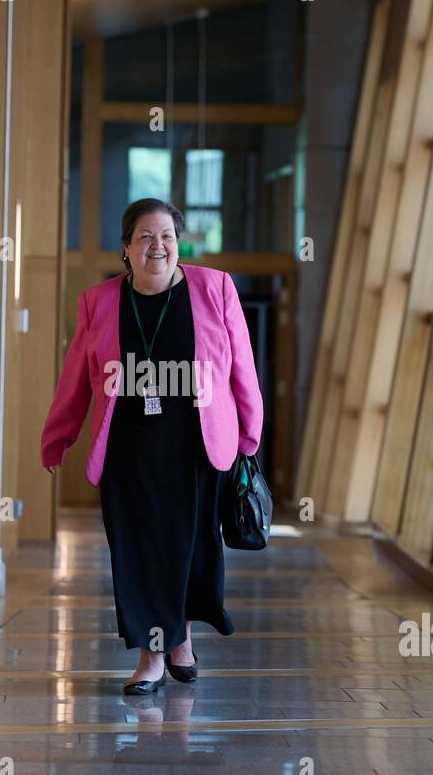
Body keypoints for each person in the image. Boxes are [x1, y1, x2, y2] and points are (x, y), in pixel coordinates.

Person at [40, 198, 265, 695]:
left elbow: (241, 368)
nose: (156, 246)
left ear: (178, 244)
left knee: (189, 548)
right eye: (144, 237)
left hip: (196, 448)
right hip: (129, 449)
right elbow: (76, 375)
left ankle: (179, 641)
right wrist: (58, 437)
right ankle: (151, 657)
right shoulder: (98, 302)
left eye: (166, 236)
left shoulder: (214, 288)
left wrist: (250, 435)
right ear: (126, 248)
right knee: (138, 552)